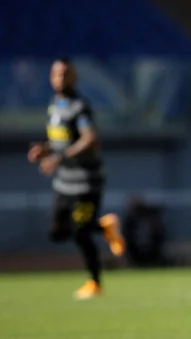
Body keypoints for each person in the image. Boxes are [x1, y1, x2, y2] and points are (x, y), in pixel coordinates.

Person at [27, 58, 126, 300]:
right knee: (57, 232)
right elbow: (62, 140)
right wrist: (46, 149)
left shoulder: (80, 106)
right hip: (64, 183)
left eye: (66, 74)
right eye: (57, 74)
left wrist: (58, 158)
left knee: (81, 233)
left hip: (85, 182)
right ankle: (104, 226)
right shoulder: (55, 106)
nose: (61, 79)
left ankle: (95, 283)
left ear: (74, 77)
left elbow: (89, 139)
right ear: (51, 78)